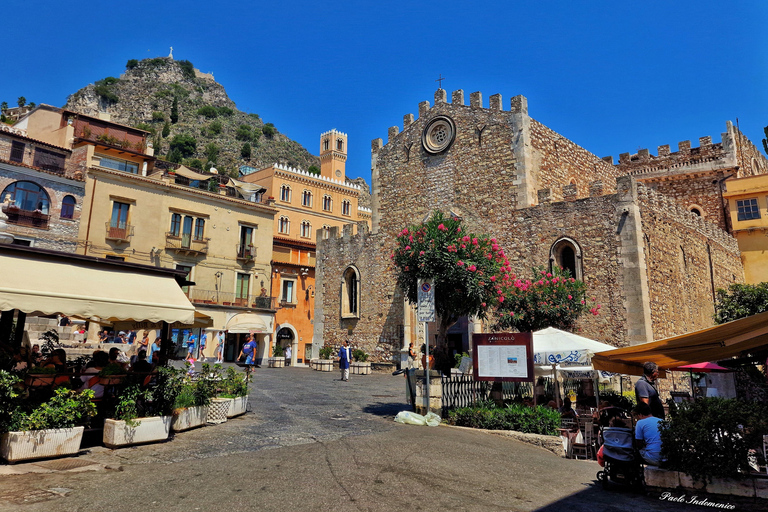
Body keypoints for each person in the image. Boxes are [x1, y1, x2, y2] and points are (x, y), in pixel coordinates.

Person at [634, 402, 664, 466]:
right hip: (665, 458)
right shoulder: (662, 421)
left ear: (640, 414)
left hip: (653, 458)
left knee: (633, 452)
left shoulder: (640, 423)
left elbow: (639, 444)